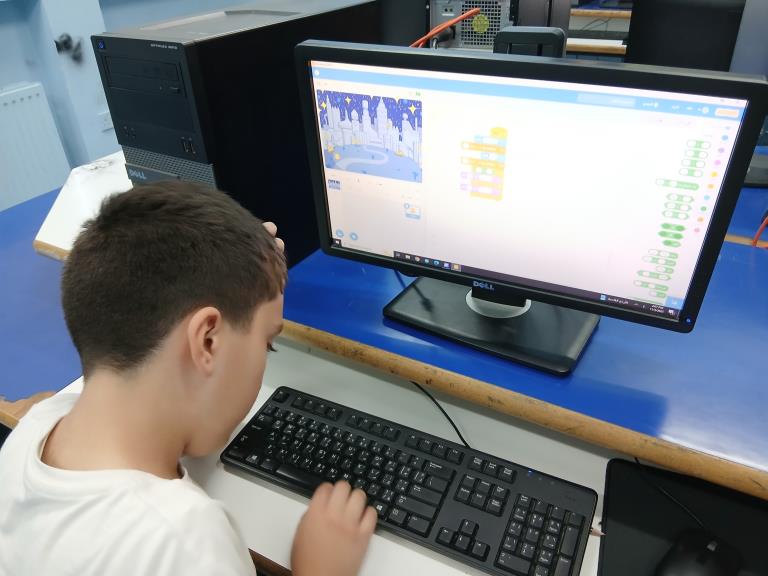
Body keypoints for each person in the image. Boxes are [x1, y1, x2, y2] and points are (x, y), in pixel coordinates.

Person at [0, 181, 376, 576]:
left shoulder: (35, 427)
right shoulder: (187, 543)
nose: (266, 354)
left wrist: (249, 263)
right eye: (268, 344)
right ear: (208, 340)